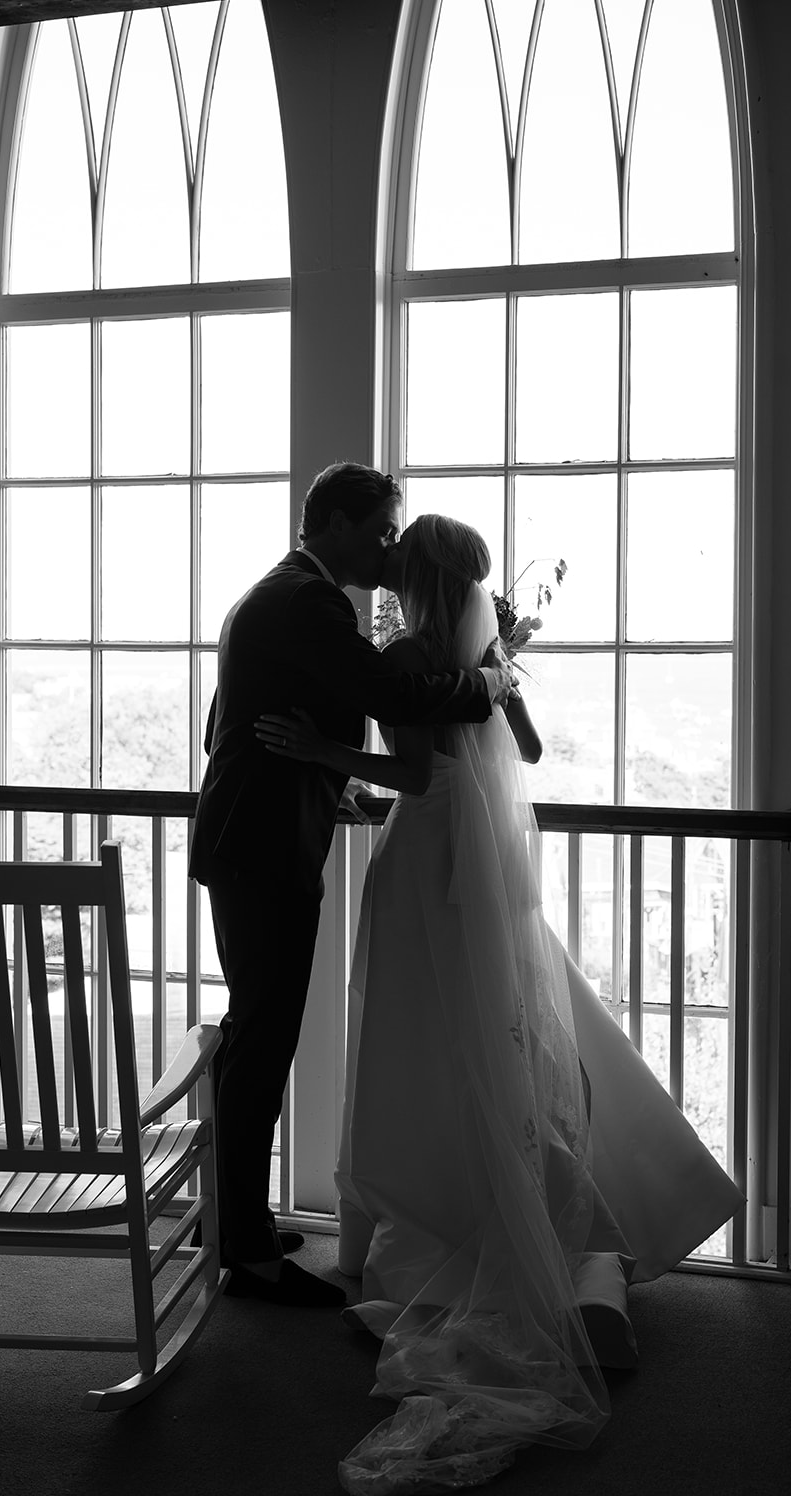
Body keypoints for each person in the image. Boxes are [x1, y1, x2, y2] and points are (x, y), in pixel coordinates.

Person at [256, 513, 745, 1490]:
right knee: (503, 1039)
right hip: (482, 873)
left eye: (399, 561)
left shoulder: (403, 656)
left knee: (423, 1047)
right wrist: (499, 656)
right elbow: (509, 741)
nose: (386, 570)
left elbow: (416, 772)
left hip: (424, 864)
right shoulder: (474, 655)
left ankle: (460, 1231)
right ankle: (552, 1230)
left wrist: (318, 748)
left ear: (416, 583)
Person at [189, 466, 513, 1309]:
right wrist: (484, 683)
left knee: (256, 1032)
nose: (386, 548)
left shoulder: (283, 593)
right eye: (377, 531)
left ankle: (231, 1220)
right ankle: (246, 1250)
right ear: (331, 521)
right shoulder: (308, 600)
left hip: (251, 841)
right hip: (259, 852)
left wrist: (332, 784)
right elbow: (380, 691)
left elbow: (227, 726)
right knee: (262, 1040)